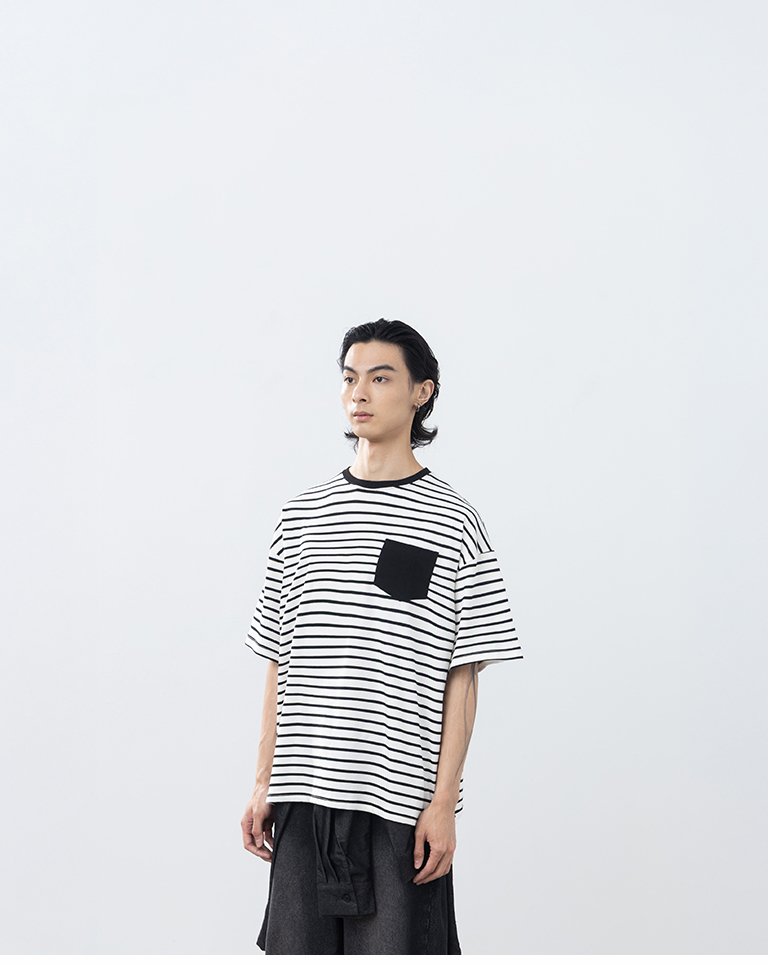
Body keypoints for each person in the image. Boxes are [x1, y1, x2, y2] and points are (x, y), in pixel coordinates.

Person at [241, 319, 522, 954]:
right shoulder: (301, 515)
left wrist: (444, 803)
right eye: (349, 378)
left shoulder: (454, 521)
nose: (359, 393)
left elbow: (464, 674)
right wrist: (262, 782)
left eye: (380, 377)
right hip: (302, 795)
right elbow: (278, 660)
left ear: (423, 391)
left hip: (400, 803)